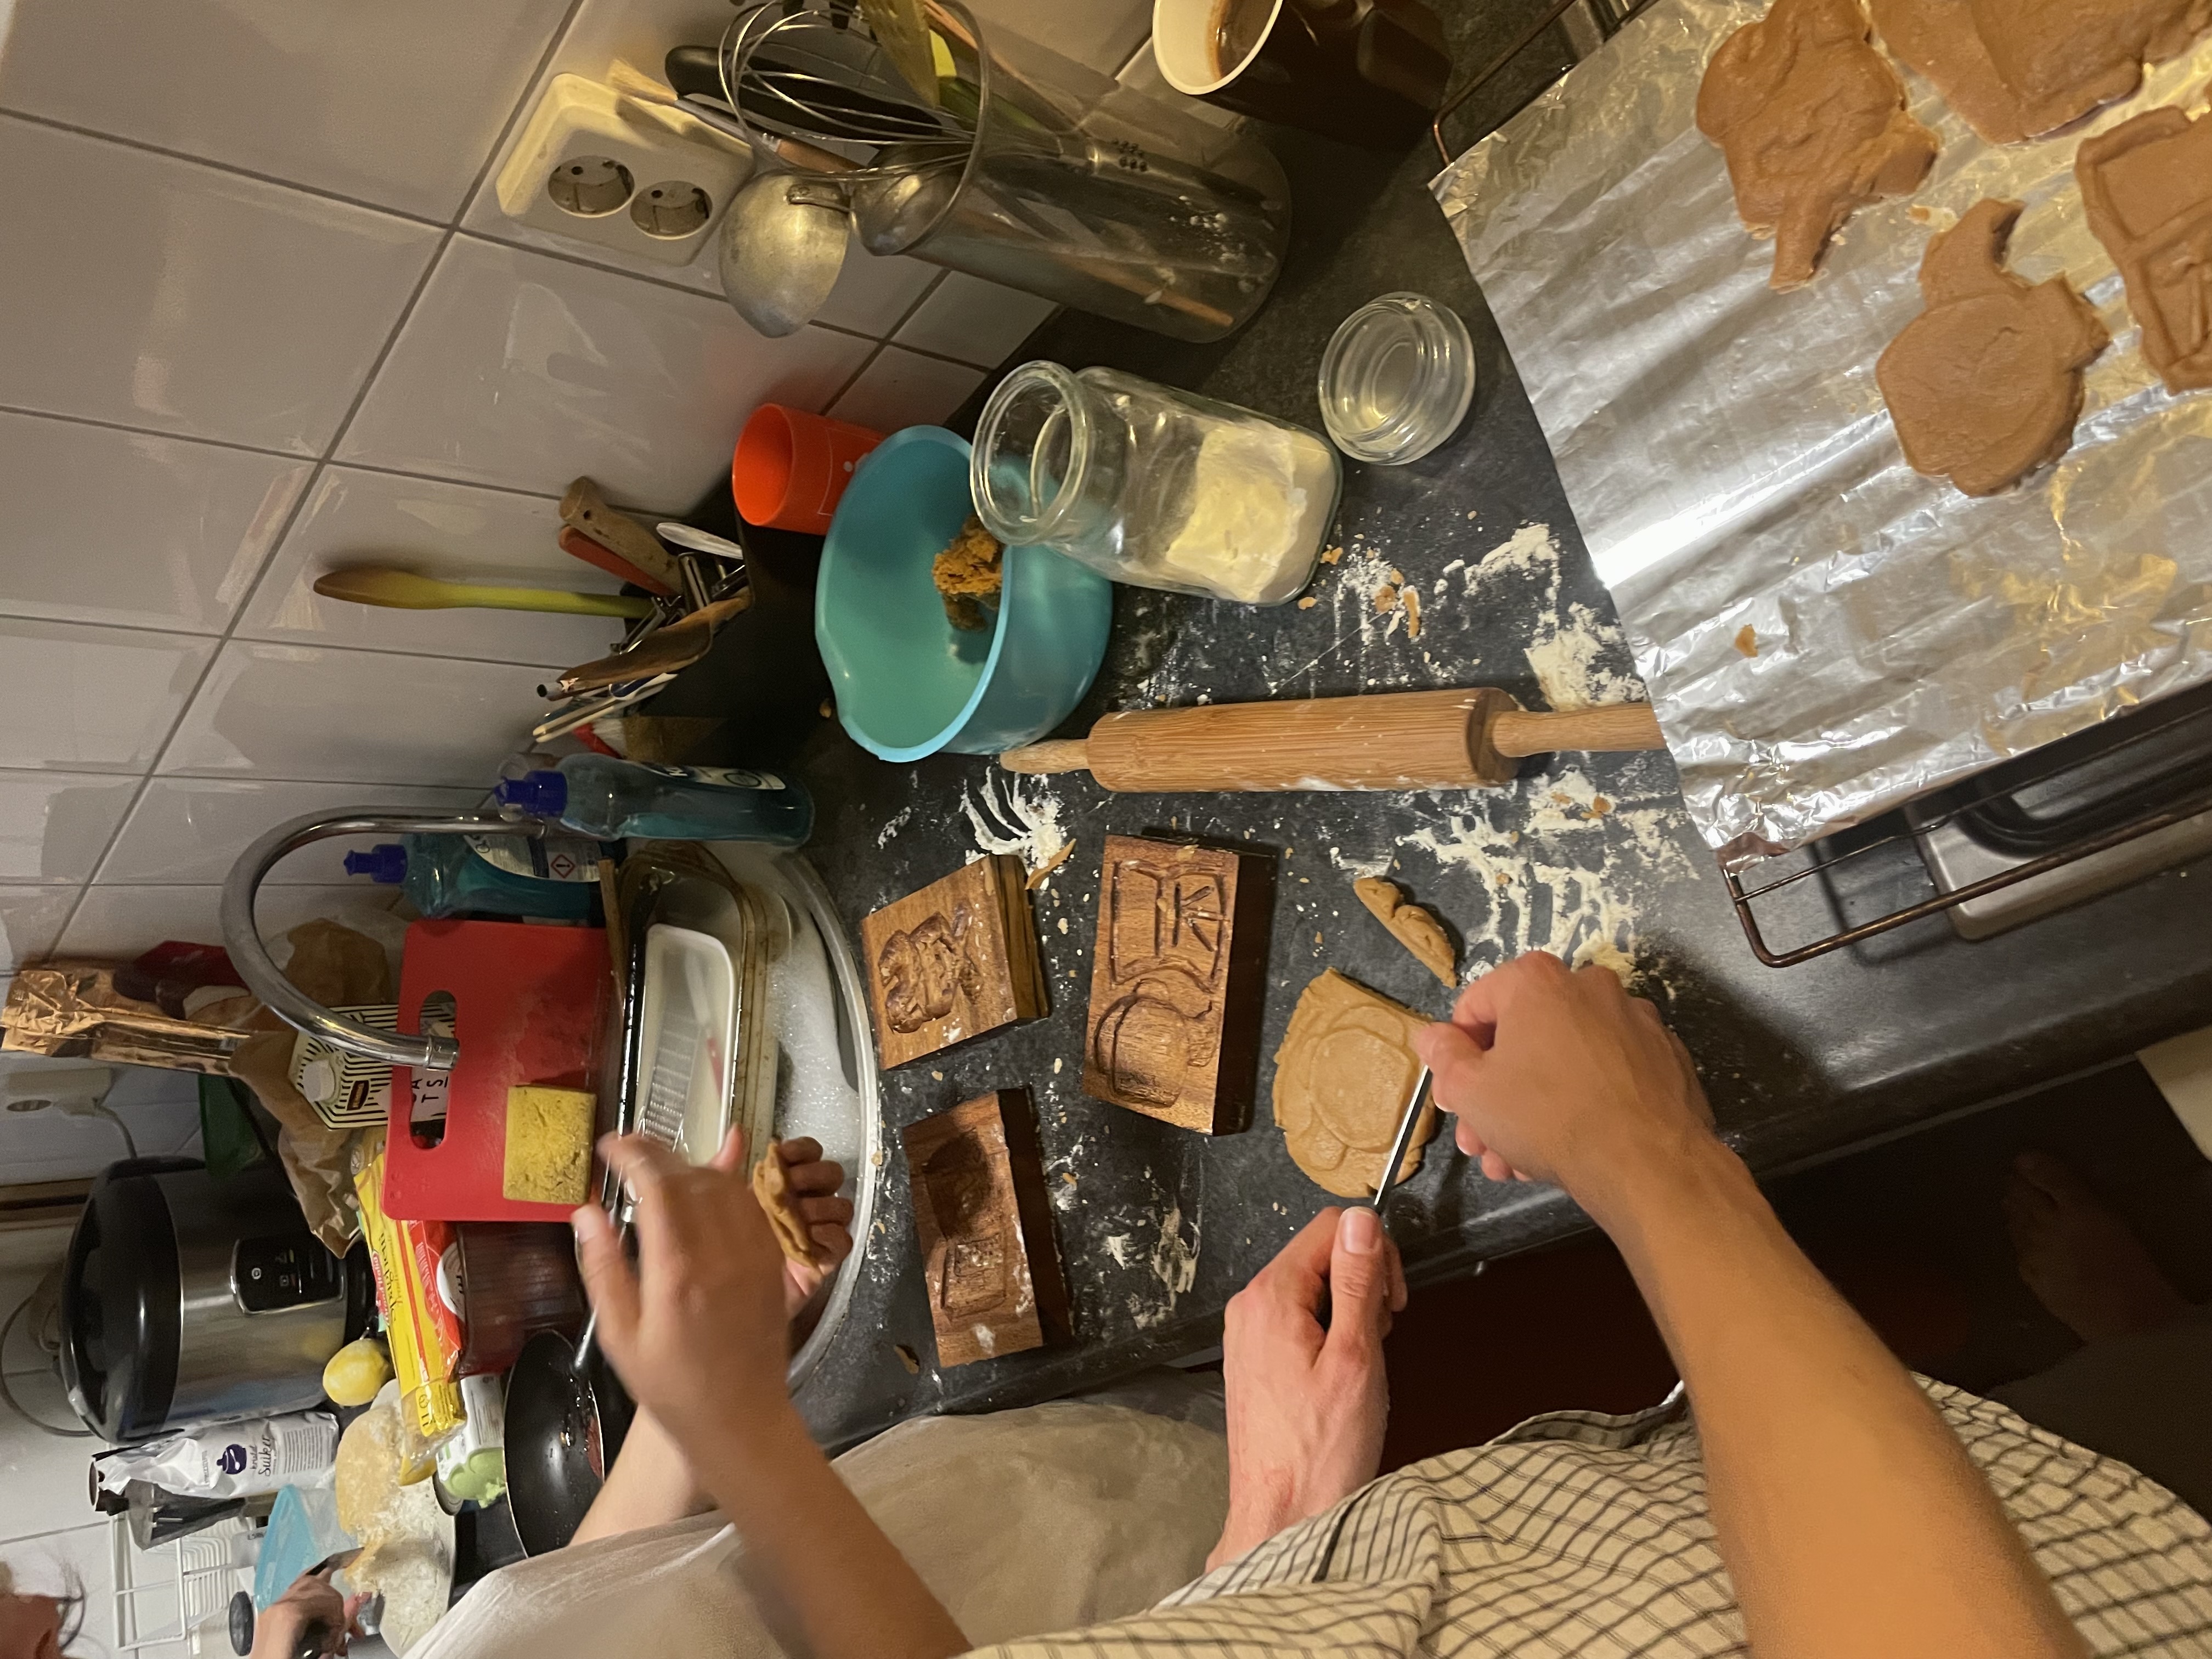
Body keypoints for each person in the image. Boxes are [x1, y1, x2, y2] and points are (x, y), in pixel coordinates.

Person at [413, 952, 2212, 1658]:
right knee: (2142, 1424)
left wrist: (1275, 1549)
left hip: (1378, 1559)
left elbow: (586, 1604)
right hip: (1964, 1591)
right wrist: (1661, 1162)